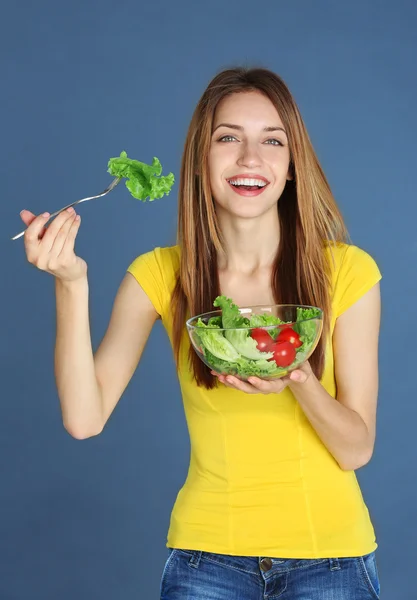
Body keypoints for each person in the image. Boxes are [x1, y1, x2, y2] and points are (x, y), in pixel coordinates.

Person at [20, 67, 382, 599]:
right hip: (205, 561)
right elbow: (83, 418)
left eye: (272, 141)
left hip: (331, 560)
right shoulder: (161, 275)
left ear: (290, 168)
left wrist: (300, 379)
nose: (250, 158)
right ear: (199, 163)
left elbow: (356, 449)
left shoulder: (347, 272)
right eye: (228, 137)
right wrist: (71, 284)